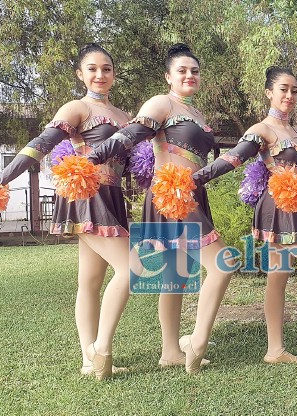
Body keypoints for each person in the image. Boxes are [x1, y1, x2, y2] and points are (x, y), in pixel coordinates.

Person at [87, 43, 230, 374]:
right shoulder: (161, 103)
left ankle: (167, 352)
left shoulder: (196, 113)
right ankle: (195, 342)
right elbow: (131, 134)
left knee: (174, 278)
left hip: (192, 195)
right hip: (172, 195)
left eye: (194, 70)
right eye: (181, 70)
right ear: (168, 76)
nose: (189, 75)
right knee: (223, 264)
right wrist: (93, 156)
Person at [0, 43, 131, 379]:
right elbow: (40, 146)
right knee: (132, 269)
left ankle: (87, 358)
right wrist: (1, 178)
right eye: (92, 68)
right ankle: (100, 350)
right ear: (80, 74)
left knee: (91, 280)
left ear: (114, 73)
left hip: (113, 197)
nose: (100, 75)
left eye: (107, 68)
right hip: (87, 196)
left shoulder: (126, 117)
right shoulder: (76, 108)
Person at [192, 66, 297, 366]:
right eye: (283, 89)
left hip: (294, 204)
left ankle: (275, 350)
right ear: (269, 93)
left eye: (294, 90)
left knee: (278, 277)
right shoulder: (261, 130)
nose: (289, 95)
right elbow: (231, 160)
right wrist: (194, 180)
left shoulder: (296, 131)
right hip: (278, 207)